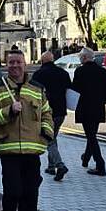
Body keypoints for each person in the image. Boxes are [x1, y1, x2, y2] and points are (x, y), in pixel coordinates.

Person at [0, 49, 54, 211]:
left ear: (25, 63)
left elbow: (47, 113)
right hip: (9, 150)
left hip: (33, 151)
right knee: (13, 192)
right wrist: (8, 111)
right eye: (11, 62)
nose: (15, 66)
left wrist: (47, 133)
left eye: (18, 62)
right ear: (6, 65)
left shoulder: (37, 88)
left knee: (30, 196)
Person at [32, 50, 72, 181]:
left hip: (46, 111)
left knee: (49, 140)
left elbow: (32, 93)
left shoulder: (38, 74)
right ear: (53, 60)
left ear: (42, 61)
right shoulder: (63, 73)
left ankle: (60, 165)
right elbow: (69, 90)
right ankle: (51, 166)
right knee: (53, 137)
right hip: (60, 111)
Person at [71, 48, 106, 175]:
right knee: (91, 134)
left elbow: (75, 89)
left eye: (80, 57)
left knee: (91, 136)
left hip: (84, 108)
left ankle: (100, 164)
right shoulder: (103, 72)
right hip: (98, 107)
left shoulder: (80, 71)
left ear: (84, 57)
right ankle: (86, 158)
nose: (79, 59)